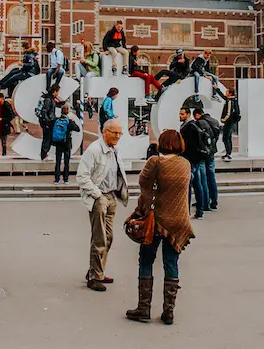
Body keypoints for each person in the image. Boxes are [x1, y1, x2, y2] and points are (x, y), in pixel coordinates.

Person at [125, 129, 194, 325]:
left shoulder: (156, 162)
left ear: (161, 143)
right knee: (171, 263)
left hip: (154, 222)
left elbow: (142, 182)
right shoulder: (185, 164)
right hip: (179, 220)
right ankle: (168, 311)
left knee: (146, 260)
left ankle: (143, 308)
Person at [77, 119, 129, 291]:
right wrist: (97, 194)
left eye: (120, 133)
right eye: (115, 132)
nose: (118, 136)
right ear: (105, 131)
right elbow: (82, 176)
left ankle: (96, 271)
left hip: (111, 196)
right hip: (99, 197)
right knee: (100, 238)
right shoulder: (93, 150)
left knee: (109, 237)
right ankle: (95, 276)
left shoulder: (114, 150)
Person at [179, 108, 208, 219]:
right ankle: (200, 210)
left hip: (190, 160)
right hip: (196, 159)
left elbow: (189, 145)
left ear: (188, 114)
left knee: (190, 186)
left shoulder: (189, 127)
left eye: (182, 114)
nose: (180, 115)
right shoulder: (193, 125)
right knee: (197, 184)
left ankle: (188, 211)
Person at [193, 107, 220, 211]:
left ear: (197, 115)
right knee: (211, 177)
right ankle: (214, 200)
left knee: (203, 178)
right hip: (212, 152)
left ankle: (205, 201)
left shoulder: (200, 123)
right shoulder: (215, 121)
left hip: (203, 153)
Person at [52, 105, 81, 185]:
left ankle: (57, 179)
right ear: (68, 112)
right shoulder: (69, 121)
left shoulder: (56, 120)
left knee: (58, 161)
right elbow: (78, 129)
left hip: (58, 143)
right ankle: (66, 179)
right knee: (66, 162)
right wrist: (73, 123)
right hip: (67, 143)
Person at [36, 84, 59, 160]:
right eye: (58, 91)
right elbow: (45, 111)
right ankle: (43, 155)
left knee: (48, 138)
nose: (58, 93)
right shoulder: (49, 100)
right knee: (47, 138)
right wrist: (47, 122)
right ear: (54, 91)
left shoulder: (49, 98)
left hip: (49, 121)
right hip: (48, 122)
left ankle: (44, 154)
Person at [220, 90, 240, 160]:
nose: (225, 93)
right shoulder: (232, 100)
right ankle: (228, 153)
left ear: (230, 93)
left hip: (228, 122)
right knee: (228, 137)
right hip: (231, 122)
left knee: (226, 138)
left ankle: (228, 153)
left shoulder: (230, 101)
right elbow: (223, 97)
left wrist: (223, 119)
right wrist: (217, 89)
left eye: (227, 92)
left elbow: (229, 113)